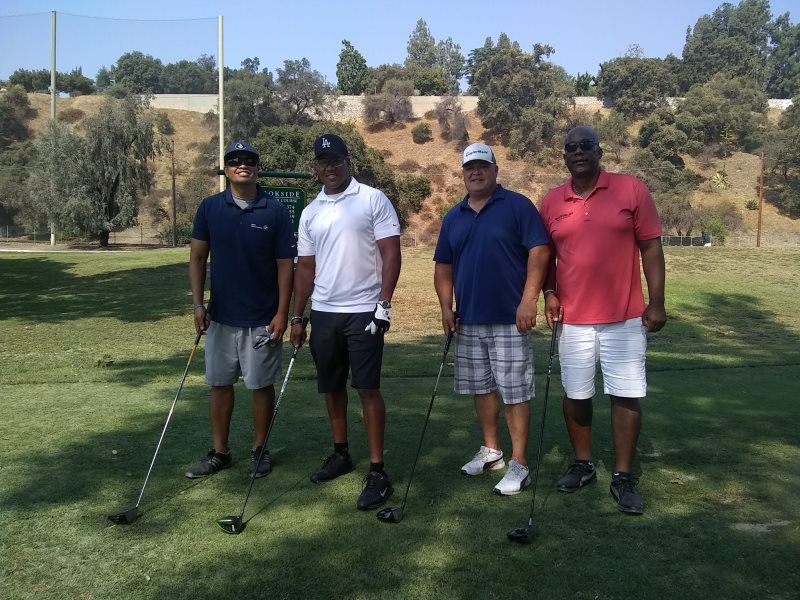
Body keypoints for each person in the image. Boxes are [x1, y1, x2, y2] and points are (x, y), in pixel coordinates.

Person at [539, 125, 666, 515]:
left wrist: (657, 302)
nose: (578, 151)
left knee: (625, 394)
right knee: (576, 394)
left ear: (599, 151)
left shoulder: (631, 190)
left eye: (586, 145)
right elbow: (544, 257)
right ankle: (583, 464)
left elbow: (651, 248)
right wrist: (549, 292)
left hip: (624, 315)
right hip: (573, 319)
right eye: (571, 147)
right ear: (564, 155)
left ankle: (623, 476)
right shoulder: (551, 201)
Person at [290, 133, 401, 511]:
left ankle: (377, 470)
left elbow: (391, 254)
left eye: (336, 161)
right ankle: (341, 453)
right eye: (323, 163)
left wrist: (384, 303)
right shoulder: (311, 211)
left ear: (347, 161)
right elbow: (306, 268)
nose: (330, 168)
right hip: (324, 312)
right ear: (316, 167)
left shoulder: (372, 199)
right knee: (332, 386)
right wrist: (298, 316)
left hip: (364, 310)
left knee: (367, 388)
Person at [433, 143, 551, 496]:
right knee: (481, 388)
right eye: (470, 167)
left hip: (510, 318)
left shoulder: (517, 206)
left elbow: (539, 251)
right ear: (463, 173)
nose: (476, 172)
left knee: (515, 391)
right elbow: (443, 266)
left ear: (495, 170)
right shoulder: (453, 216)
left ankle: (519, 463)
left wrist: (529, 300)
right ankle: (491, 451)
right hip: (468, 319)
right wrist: (445, 307)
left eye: (483, 166)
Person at [186, 140, 296, 480]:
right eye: (234, 160)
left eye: (249, 160)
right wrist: (198, 304)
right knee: (219, 384)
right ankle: (220, 452)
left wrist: (282, 312)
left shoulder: (274, 210)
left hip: (263, 317)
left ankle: (259, 449)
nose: (242, 165)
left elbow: (285, 266)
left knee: (260, 386)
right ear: (227, 168)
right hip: (220, 316)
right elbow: (197, 258)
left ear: (257, 168)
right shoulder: (210, 208)